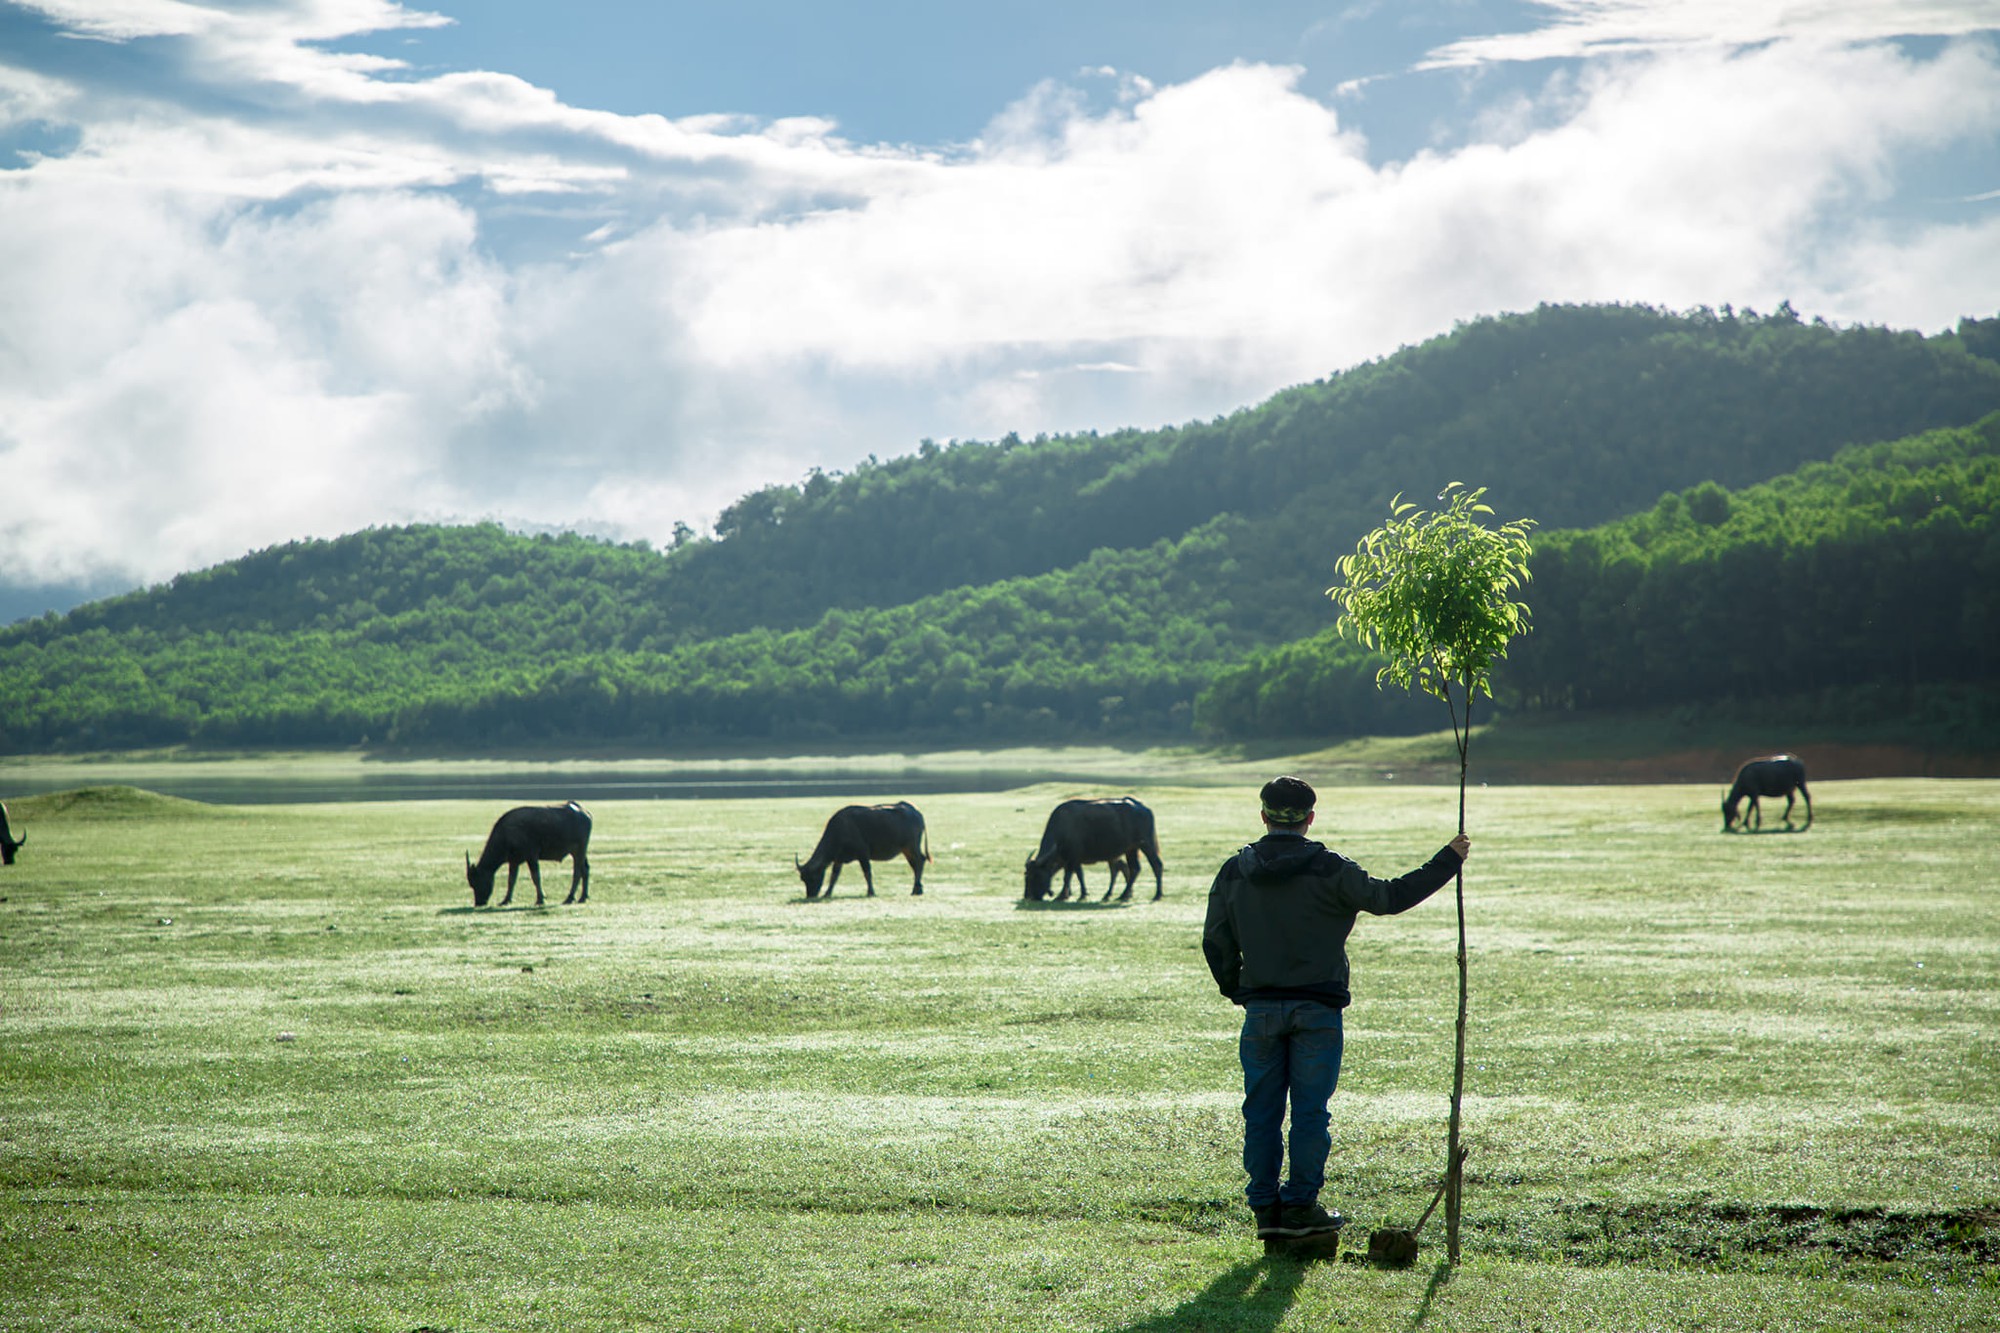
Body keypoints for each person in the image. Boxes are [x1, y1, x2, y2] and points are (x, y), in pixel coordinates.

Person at [1201, 775, 1469, 1240]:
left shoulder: (1234, 870)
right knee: (1310, 1113)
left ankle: (1266, 1210)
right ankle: (1302, 1206)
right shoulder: (1331, 869)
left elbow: (1216, 940)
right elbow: (1390, 898)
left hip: (1260, 1010)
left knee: (1260, 1111)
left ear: (1263, 816)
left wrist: (1238, 990)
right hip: (1318, 1010)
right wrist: (1449, 860)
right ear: (1310, 818)